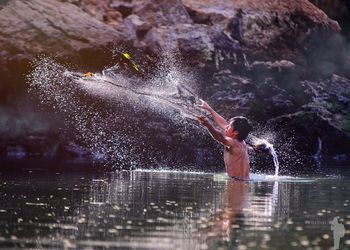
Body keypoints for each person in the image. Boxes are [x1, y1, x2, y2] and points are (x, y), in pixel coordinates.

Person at [196, 100, 252, 180]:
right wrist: (209, 109)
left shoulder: (232, 142)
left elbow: (220, 138)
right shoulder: (241, 142)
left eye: (229, 126)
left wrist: (208, 125)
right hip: (245, 181)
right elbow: (223, 123)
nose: (226, 127)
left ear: (235, 132)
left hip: (235, 181)